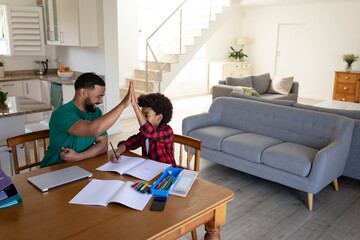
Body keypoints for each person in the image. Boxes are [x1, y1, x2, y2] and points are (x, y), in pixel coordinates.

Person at [41, 72, 133, 167]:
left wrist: (79, 156)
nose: (101, 101)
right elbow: (93, 130)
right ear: (82, 92)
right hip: (54, 168)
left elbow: (103, 145)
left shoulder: (96, 112)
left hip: (81, 165)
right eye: (98, 96)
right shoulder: (61, 114)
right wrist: (123, 105)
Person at [110, 91, 176, 167]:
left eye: (146, 116)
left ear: (159, 118)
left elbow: (149, 131)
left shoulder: (167, 131)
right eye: (141, 115)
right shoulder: (143, 135)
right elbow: (128, 143)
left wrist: (135, 106)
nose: (142, 119)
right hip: (150, 170)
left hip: (168, 173)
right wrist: (117, 153)